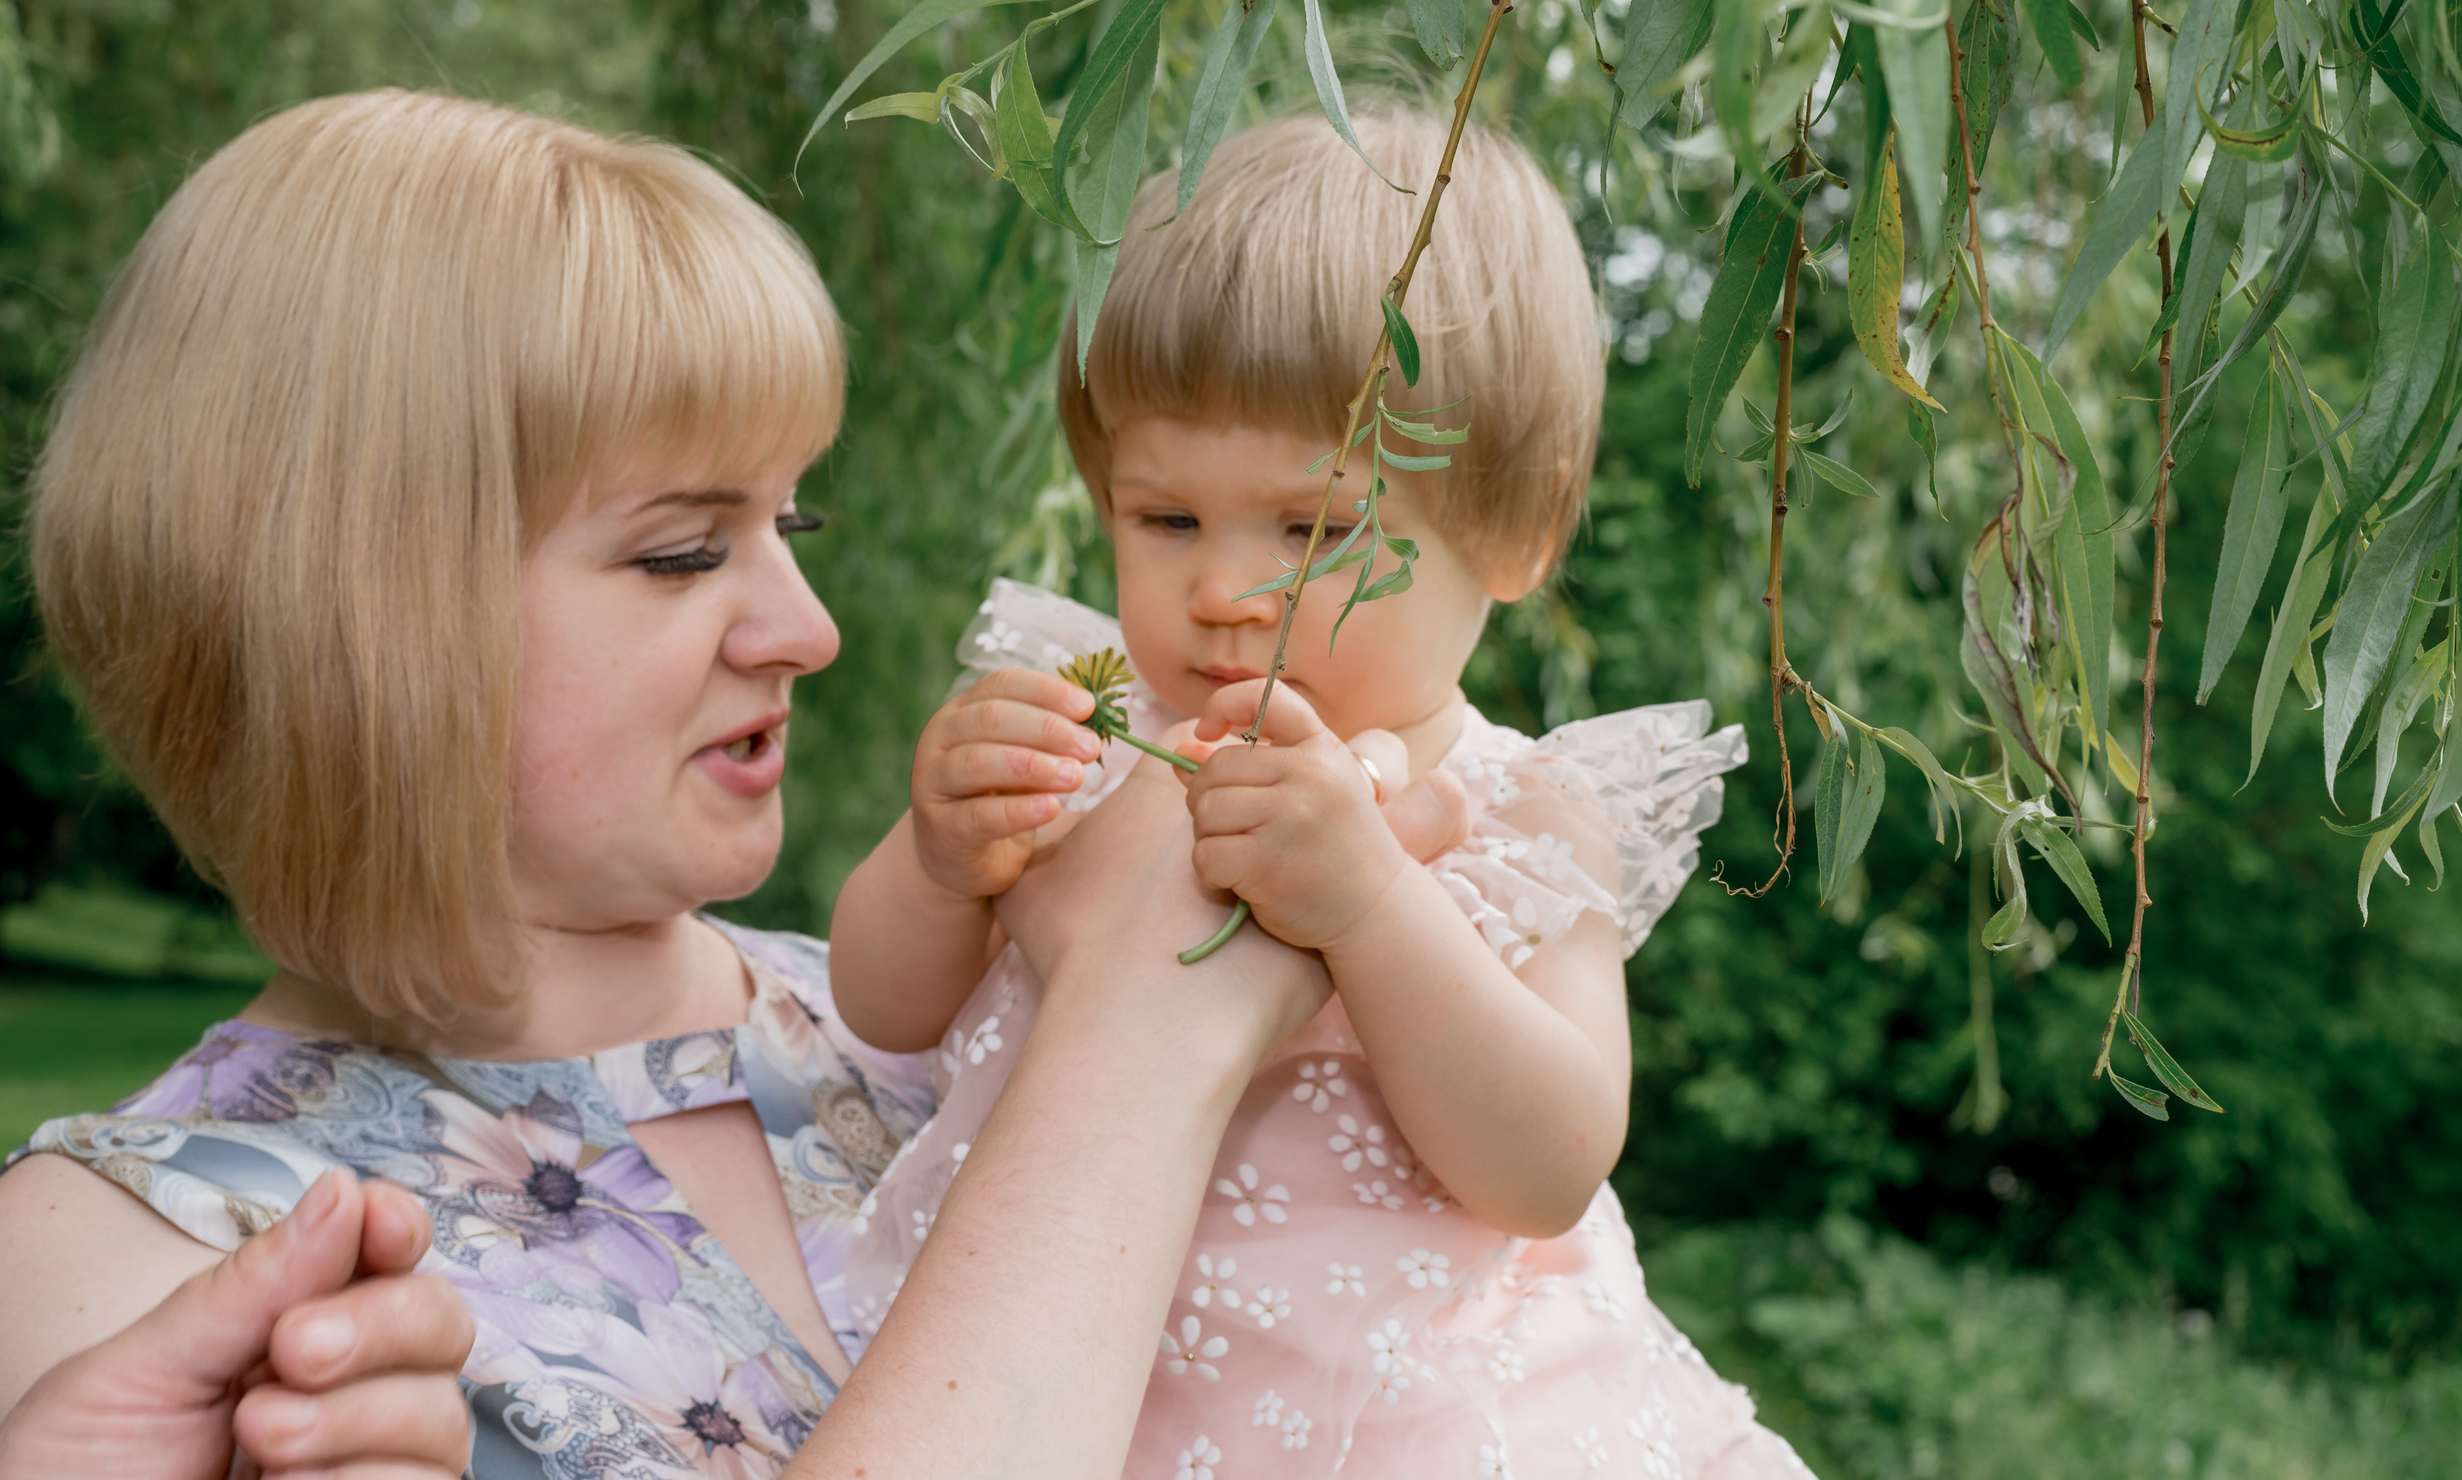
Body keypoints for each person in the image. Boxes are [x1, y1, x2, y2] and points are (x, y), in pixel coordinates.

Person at [0, 89, 1474, 1479]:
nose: (809, 631)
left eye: (794, 518)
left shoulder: (935, 1015)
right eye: (683, 551)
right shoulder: (123, 1268)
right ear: (350, 616)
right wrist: (1139, 1042)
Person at [826, 112, 1814, 1475]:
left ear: (1517, 530)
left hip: (1405, 1425)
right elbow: (882, 1007)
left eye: (1316, 528)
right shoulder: (1092, 728)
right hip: (1044, 1392)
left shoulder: (1513, 811)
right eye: (1163, 518)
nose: (1225, 590)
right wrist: (942, 864)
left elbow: (1549, 1161)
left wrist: (1371, 904)